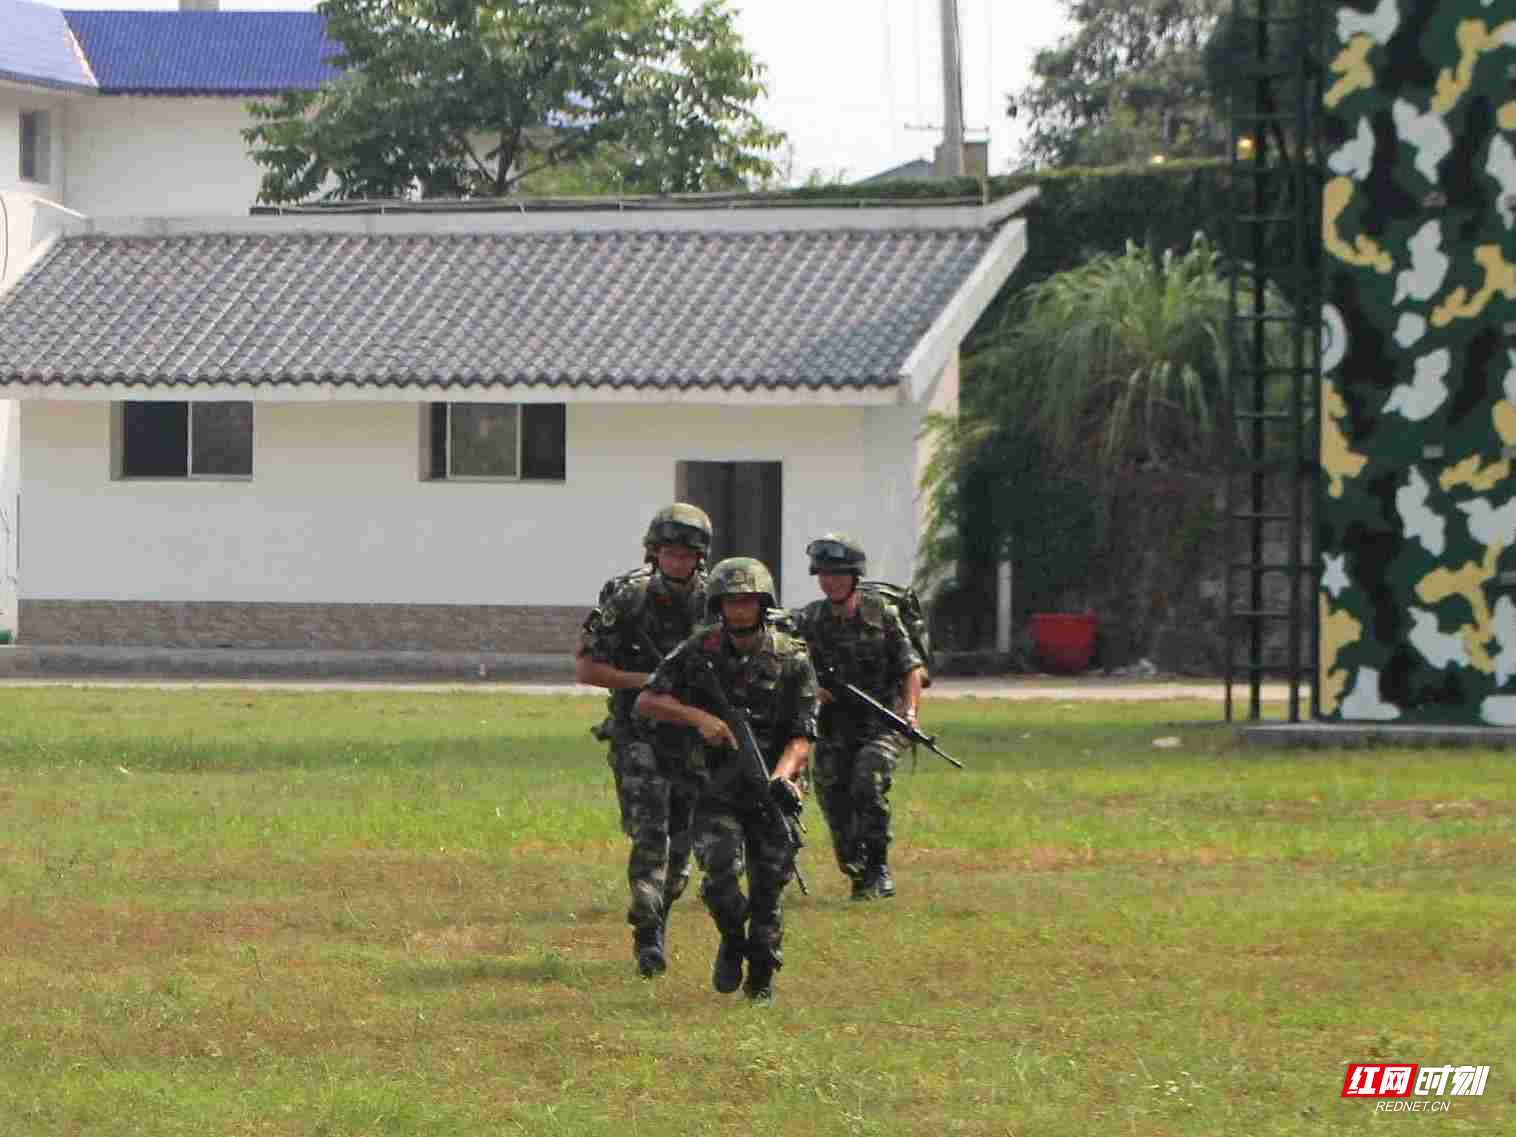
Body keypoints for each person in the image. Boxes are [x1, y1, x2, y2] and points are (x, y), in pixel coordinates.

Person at [635, 557, 817, 1005]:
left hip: (774, 789)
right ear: (719, 604)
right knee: (718, 878)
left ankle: (761, 979)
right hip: (715, 788)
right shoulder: (699, 652)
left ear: (763, 604)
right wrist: (699, 718)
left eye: (748, 602)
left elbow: (804, 734)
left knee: (769, 890)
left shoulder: (792, 658)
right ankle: (733, 938)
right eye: (732, 602)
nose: (740, 610)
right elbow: (648, 700)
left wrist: (782, 775)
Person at [575, 503, 713, 978]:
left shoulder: (719, 602)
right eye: (669, 552)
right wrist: (648, 681)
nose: (677, 562)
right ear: (654, 553)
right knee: (651, 830)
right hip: (638, 734)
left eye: (686, 554)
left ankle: (656, 910)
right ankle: (648, 938)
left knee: (680, 856)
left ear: (700, 557)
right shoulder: (628, 599)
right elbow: (588, 669)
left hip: (696, 738)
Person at [795, 534, 925, 901]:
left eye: (838, 574)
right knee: (835, 801)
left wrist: (910, 713)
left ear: (854, 576)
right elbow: (788, 665)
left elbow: (912, 669)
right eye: (823, 574)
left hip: (882, 723)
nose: (830, 581)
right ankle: (858, 869)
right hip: (833, 728)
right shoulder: (810, 619)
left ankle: (879, 868)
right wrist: (811, 688)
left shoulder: (882, 615)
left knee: (867, 780)